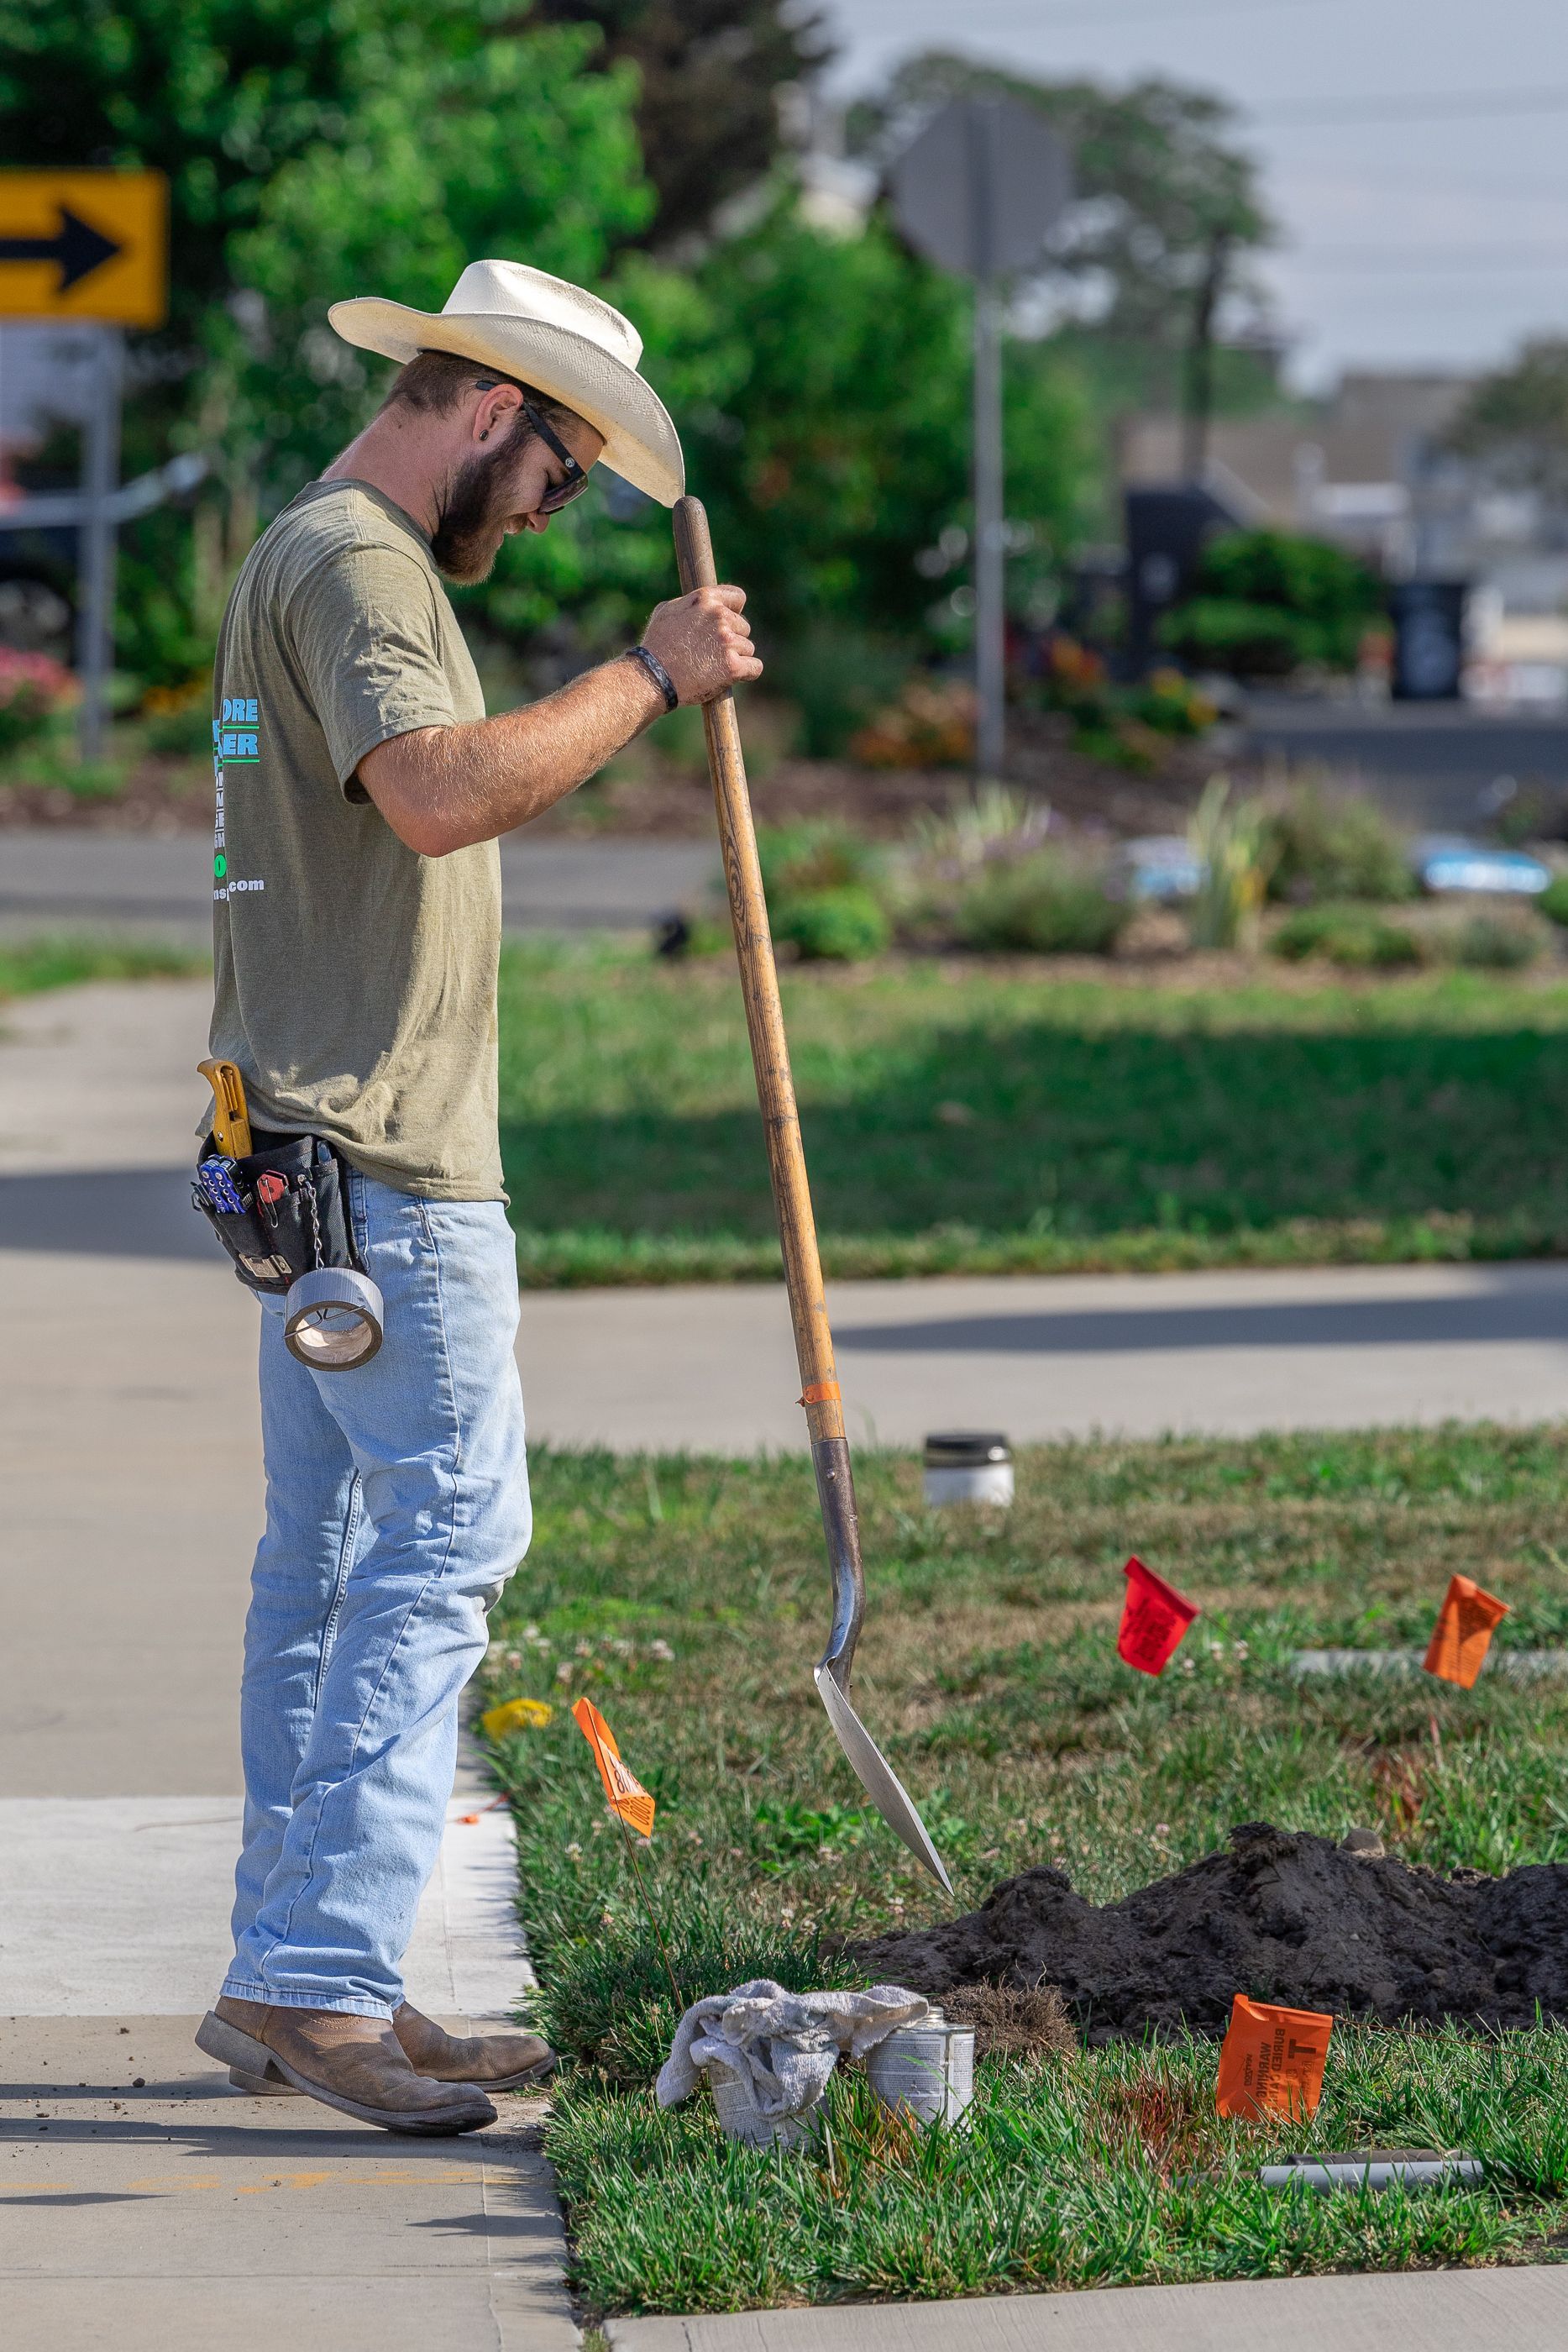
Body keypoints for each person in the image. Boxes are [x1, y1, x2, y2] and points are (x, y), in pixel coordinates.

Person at [193, 260, 760, 2134]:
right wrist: (646, 675)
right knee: (438, 1553)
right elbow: (435, 790)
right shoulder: (363, 564)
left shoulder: (307, 546)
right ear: (492, 405)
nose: (555, 506)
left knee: (334, 1567)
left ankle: (302, 1966)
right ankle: (321, 1975)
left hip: (303, 1148)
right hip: (387, 1161)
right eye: (562, 467)